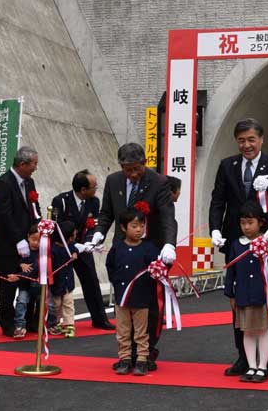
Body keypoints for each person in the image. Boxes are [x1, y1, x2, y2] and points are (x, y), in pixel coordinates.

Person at [209, 118, 268, 377]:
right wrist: (215, 229)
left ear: (261, 140)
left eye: (251, 139)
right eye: (241, 140)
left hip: (266, 242)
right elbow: (217, 200)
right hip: (237, 242)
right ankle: (244, 358)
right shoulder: (227, 166)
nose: (247, 145)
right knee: (238, 301)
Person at [94, 143, 177, 370]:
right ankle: (126, 354)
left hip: (151, 251)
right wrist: (99, 233)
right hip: (122, 249)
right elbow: (107, 213)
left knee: (148, 304)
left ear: (145, 163)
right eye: (127, 169)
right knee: (124, 302)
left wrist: (169, 245)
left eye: (137, 169)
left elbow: (168, 217)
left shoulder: (159, 182)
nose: (133, 174)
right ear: (121, 166)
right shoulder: (113, 181)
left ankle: (146, 352)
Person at [223, 200, 268, 384]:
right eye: (243, 223)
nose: (246, 227)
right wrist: (230, 294)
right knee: (247, 332)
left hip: (262, 294)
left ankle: (263, 367)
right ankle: (251, 365)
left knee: (264, 330)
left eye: (251, 223)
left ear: (261, 223)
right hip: (242, 294)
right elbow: (230, 270)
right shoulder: (236, 245)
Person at [51, 169, 113, 330]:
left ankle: (100, 319)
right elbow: (56, 228)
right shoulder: (61, 201)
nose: (96, 189)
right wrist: (72, 246)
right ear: (83, 189)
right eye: (94, 186)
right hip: (62, 250)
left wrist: (91, 242)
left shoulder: (93, 202)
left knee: (92, 281)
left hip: (83, 249)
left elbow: (94, 224)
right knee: (58, 286)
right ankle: (52, 322)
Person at [0, 146, 41, 337]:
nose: (35, 168)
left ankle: (28, 320)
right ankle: (7, 322)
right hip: (6, 244)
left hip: (29, 242)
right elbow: (5, 214)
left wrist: (37, 230)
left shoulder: (30, 182)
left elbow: (34, 207)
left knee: (29, 281)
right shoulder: (3, 183)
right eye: (33, 164)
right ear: (22, 164)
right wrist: (18, 239)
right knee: (9, 284)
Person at [106, 207, 159, 376]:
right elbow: (110, 266)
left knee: (141, 331)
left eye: (141, 226)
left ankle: (142, 359)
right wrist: (116, 281)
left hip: (142, 297)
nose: (139, 229)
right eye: (134, 226)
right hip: (122, 297)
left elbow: (155, 270)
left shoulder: (149, 248)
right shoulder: (117, 248)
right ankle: (124, 358)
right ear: (123, 227)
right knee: (122, 330)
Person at [9, 225, 58, 339]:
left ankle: (51, 324)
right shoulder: (23, 250)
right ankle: (20, 326)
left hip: (41, 284)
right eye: (33, 239)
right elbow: (16, 262)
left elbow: (35, 268)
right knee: (21, 302)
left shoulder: (44, 253)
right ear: (28, 237)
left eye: (39, 240)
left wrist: (18, 276)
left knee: (49, 304)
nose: (36, 243)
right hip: (25, 285)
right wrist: (20, 265)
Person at [50, 221, 79, 338]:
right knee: (56, 305)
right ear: (68, 237)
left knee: (68, 303)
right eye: (74, 233)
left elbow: (75, 249)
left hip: (68, 283)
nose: (76, 233)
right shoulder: (53, 250)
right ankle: (55, 323)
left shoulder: (71, 246)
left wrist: (75, 253)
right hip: (56, 283)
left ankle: (69, 325)